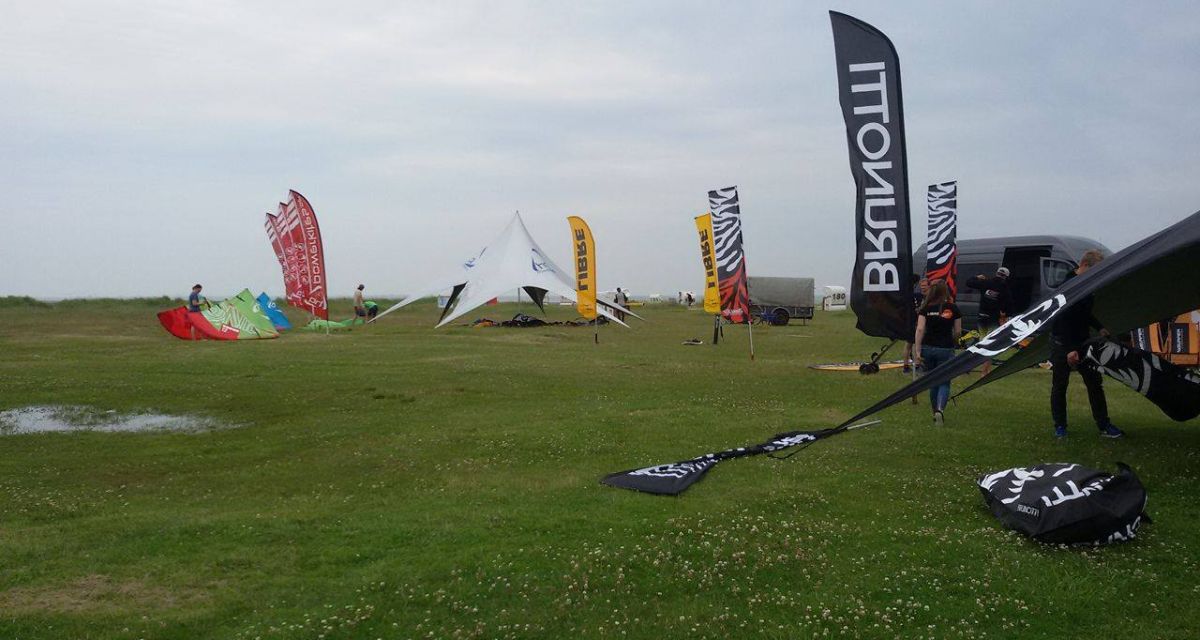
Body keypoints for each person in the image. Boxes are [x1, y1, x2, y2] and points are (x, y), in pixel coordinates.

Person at [1049, 250, 1122, 439]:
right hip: (1062, 341)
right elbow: (1063, 319)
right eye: (1095, 270)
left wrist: (1100, 327)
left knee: (1095, 383)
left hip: (1083, 341)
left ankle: (1104, 425)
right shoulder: (1067, 285)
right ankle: (1060, 426)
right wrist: (1069, 349)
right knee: (1060, 385)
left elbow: (1084, 313)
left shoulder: (1087, 284)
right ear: (1084, 265)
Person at [913, 280, 962, 426]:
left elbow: (920, 329)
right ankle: (940, 410)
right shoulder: (953, 308)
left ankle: (934, 411)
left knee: (933, 381)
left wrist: (917, 350)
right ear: (945, 291)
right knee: (944, 381)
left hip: (928, 348)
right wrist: (955, 341)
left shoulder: (925, 308)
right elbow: (958, 331)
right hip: (946, 349)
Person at [966, 267, 1013, 376]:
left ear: (996, 273)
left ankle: (970, 366)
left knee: (981, 342)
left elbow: (969, 282)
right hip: (993, 319)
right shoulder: (1004, 287)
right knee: (990, 344)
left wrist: (977, 277)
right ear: (1006, 277)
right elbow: (1009, 305)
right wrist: (1005, 314)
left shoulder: (986, 282)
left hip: (982, 317)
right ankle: (984, 371)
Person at [903, 276, 930, 373]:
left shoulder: (930, 297)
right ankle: (908, 366)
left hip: (922, 323)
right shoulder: (916, 296)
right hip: (913, 323)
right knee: (911, 343)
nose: (923, 287)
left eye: (925, 286)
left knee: (918, 344)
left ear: (929, 286)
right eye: (921, 286)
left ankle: (918, 364)